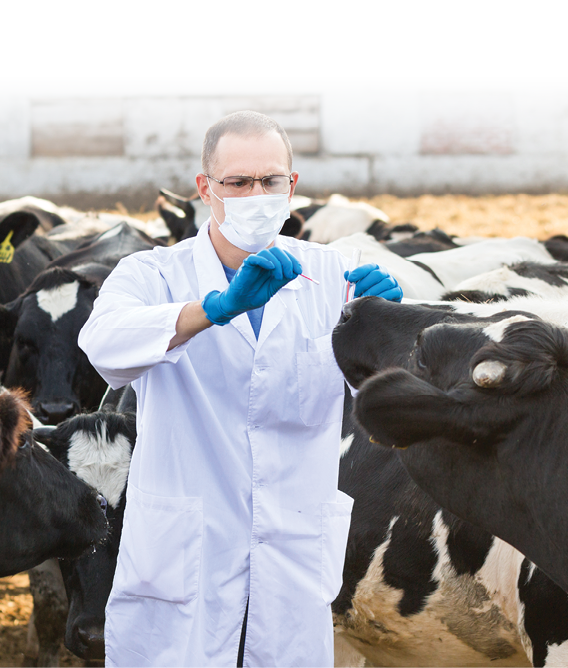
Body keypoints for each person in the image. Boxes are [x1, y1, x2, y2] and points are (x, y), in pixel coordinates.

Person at [78, 110, 402, 668]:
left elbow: (381, 399)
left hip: (292, 549)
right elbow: (101, 344)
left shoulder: (333, 277)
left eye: (271, 181)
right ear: (206, 188)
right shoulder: (152, 274)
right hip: (185, 556)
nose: (257, 194)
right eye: (238, 182)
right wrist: (213, 310)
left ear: (292, 187)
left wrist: (390, 330)